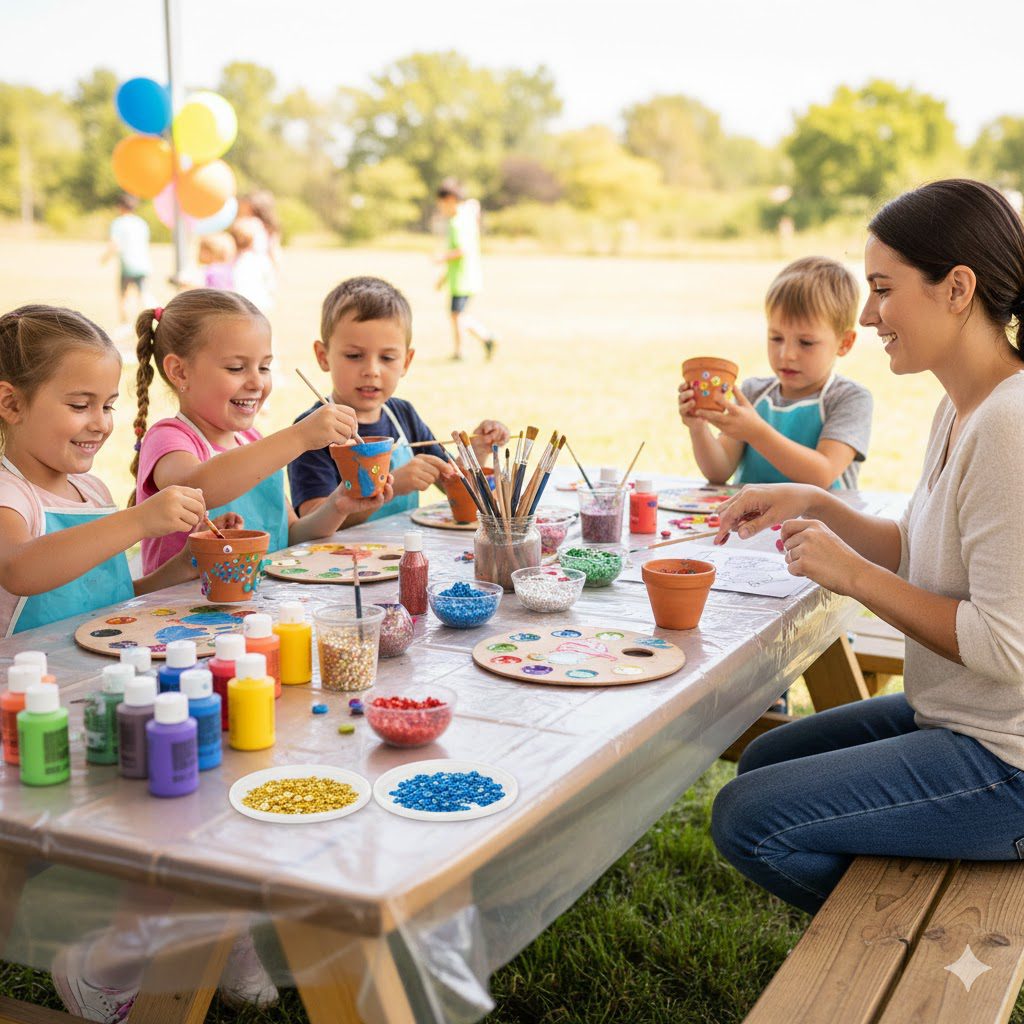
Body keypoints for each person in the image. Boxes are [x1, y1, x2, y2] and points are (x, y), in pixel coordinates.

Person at [711, 179, 1024, 915]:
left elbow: (1006, 647)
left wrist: (850, 575)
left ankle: (928, 931)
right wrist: (818, 501)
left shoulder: (1009, 426)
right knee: (765, 756)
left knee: (746, 817)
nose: (869, 314)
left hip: (1006, 763)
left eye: (883, 290)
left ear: (957, 289)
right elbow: (916, 549)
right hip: (954, 715)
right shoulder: (962, 406)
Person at [131, 289, 392, 574]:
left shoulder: (253, 441)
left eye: (265, 367)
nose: (257, 382)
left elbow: (291, 535)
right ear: (180, 372)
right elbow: (199, 488)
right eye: (236, 368)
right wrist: (299, 436)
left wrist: (338, 505)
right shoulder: (168, 438)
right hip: (183, 601)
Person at [0, 305, 207, 638]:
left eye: (108, 406)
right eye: (80, 406)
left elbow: (111, 603)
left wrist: (185, 565)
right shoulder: (10, 495)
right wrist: (139, 520)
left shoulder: (94, 492)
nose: (101, 424)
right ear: (12, 404)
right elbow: (18, 570)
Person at [289, 276, 508, 521]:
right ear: (323, 356)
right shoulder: (312, 430)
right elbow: (311, 522)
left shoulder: (404, 415)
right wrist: (394, 486)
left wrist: (475, 453)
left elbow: (455, 486)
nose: (372, 370)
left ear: (406, 361)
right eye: (354, 355)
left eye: (387, 358)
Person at [680, 256, 873, 490]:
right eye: (776, 338)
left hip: (818, 515)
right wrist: (698, 427)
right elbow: (718, 471)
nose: (787, 354)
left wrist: (756, 432)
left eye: (806, 342)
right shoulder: (753, 393)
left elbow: (822, 474)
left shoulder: (849, 398)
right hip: (752, 515)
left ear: (844, 342)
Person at [435, 181, 497, 361]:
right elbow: (474, 204)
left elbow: (462, 250)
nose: (440, 207)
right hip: (463, 277)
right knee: (458, 316)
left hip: (463, 279)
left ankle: (462, 351)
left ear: (450, 199)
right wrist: (443, 278)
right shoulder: (465, 217)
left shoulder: (457, 222)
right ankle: (486, 339)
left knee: (457, 316)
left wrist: (441, 257)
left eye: (441, 203)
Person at [101, 196, 151, 329]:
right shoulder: (141, 223)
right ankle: (150, 321)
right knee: (143, 294)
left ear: (121, 207)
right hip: (143, 265)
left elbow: (114, 244)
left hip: (128, 265)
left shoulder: (118, 223)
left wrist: (104, 258)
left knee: (124, 297)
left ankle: (125, 325)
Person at [228, 221, 273, 314]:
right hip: (259, 304)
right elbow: (270, 282)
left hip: (238, 304)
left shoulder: (228, 261)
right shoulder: (261, 259)